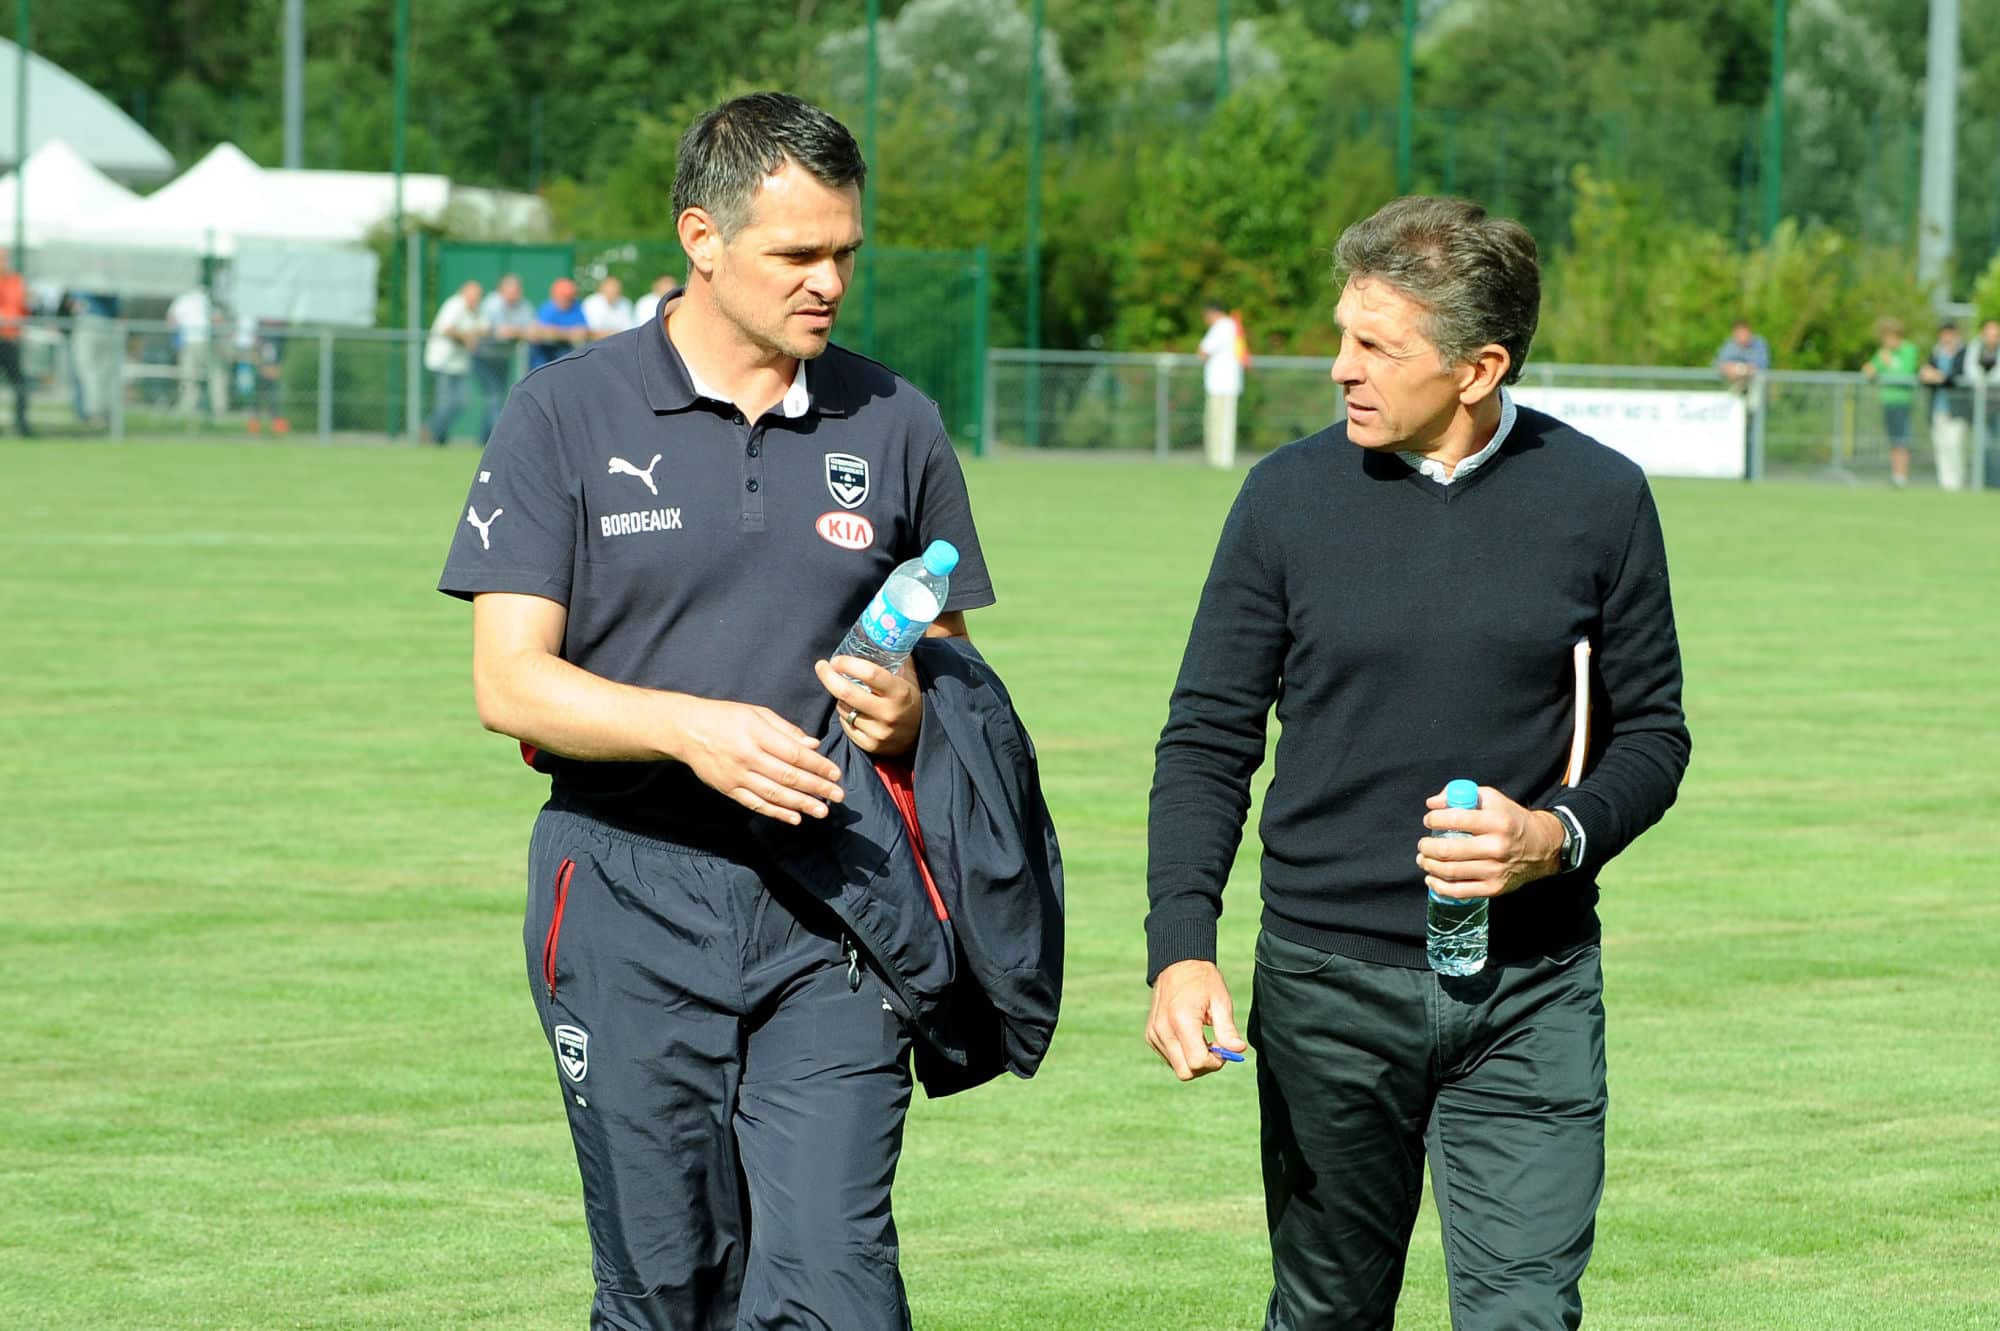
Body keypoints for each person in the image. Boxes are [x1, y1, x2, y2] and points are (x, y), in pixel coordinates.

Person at [437, 92, 1060, 1331]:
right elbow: (508, 680)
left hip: (835, 908)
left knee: (838, 1287)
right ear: (700, 238)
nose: (828, 282)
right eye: (796, 255)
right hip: (624, 892)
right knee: (668, 1288)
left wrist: (908, 714)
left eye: (844, 252)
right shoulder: (563, 412)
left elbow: (949, 666)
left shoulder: (895, 421)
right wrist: (689, 726)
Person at [1144, 196, 1690, 1331]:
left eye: (1373, 346)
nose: (1337, 367)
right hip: (1324, 989)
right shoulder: (1283, 497)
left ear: (1478, 366)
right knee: (1326, 1313)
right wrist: (1179, 946)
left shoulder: (1599, 498)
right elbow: (1207, 732)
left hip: (1530, 992)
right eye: (1342, 333)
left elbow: (1652, 734)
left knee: (1523, 1314)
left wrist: (1555, 834)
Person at [474, 273, 538, 443]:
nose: (514, 293)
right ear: (501, 290)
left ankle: (484, 439)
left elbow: (531, 331)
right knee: (494, 396)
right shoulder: (492, 303)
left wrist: (514, 331)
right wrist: (516, 332)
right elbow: (499, 332)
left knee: (496, 397)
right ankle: (499, 439)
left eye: (517, 290)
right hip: (484, 356)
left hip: (503, 357)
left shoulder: (524, 305)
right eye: (510, 290)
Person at [424, 279, 486, 445]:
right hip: (443, 361)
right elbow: (446, 329)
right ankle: (432, 433)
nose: (476, 300)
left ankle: (435, 431)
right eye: (473, 296)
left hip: (460, 364)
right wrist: (466, 337)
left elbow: (484, 327)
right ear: (464, 293)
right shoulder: (454, 305)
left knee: (462, 402)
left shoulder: (475, 310)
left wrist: (477, 333)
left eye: (478, 297)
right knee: (445, 403)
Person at [1862, 317, 1920, 487]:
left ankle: (1901, 476)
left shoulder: (1908, 350)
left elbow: (1906, 374)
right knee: (1893, 439)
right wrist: (1877, 365)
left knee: (1901, 440)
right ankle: (1895, 475)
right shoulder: (1884, 352)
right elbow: (1868, 370)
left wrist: (1888, 364)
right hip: (1887, 401)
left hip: (1902, 402)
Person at [1918, 319, 1972, 492]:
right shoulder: (1936, 353)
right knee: (1940, 445)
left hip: (1956, 408)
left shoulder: (1965, 352)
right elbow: (1927, 374)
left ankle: (1956, 483)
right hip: (1938, 407)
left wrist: (1940, 377)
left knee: (1954, 444)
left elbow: (1957, 377)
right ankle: (1945, 482)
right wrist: (1932, 375)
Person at [1198, 300, 1246, 467]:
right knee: (1216, 421)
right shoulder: (1229, 326)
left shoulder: (1223, 326)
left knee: (1222, 422)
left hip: (1223, 384)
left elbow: (1203, 350)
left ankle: (1223, 459)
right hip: (1219, 384)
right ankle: (1216, 458)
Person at [166, 282, 224, 418]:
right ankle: (217, 407)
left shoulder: (185, 299)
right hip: (201, 340)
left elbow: (170, 320)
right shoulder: (204, 299)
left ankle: (190, 407)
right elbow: (217, 319)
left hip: (193, 341)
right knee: (210, 375)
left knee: (191, 376)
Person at [0, 249, 35, 436]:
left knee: (19, 384)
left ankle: (22, 425)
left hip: (10, 339)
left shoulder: (15, 281)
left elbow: (21, 307)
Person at [526, 278, 590, 372]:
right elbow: (542, 333)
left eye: (570, 296)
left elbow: (583, 331)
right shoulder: (548, 308)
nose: (568, 298)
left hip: (566, 351)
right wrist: (568, 333)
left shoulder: (576, 308)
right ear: (556, 295)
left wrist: (559, 333)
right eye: (564, 295)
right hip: (545, 354)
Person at [1968, 318, 2000, 487]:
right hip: (1982, 406)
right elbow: (1971, 371)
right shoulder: (1975, 348)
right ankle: (1985, 482)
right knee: (1984, 445)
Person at [1712, 318, 1770, 392]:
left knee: (1759, 380)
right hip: (1732, 384)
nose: (1742, 337)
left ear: (1749, 332)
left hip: (1753, 385)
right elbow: (1719, 364)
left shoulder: (1759, 344)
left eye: (1743, 333)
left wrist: (1741, 371)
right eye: (1738, 334)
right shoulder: (1729, 344)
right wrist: (1730, 370)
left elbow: (1760, 367)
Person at [579, 275, 633, 340]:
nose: (613, 292)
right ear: (601, 290)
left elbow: (630, 330)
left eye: (616, 290)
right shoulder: (592, 303)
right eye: (610, 290)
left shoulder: (625, 303)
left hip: (620, 342)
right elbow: (590, 332)